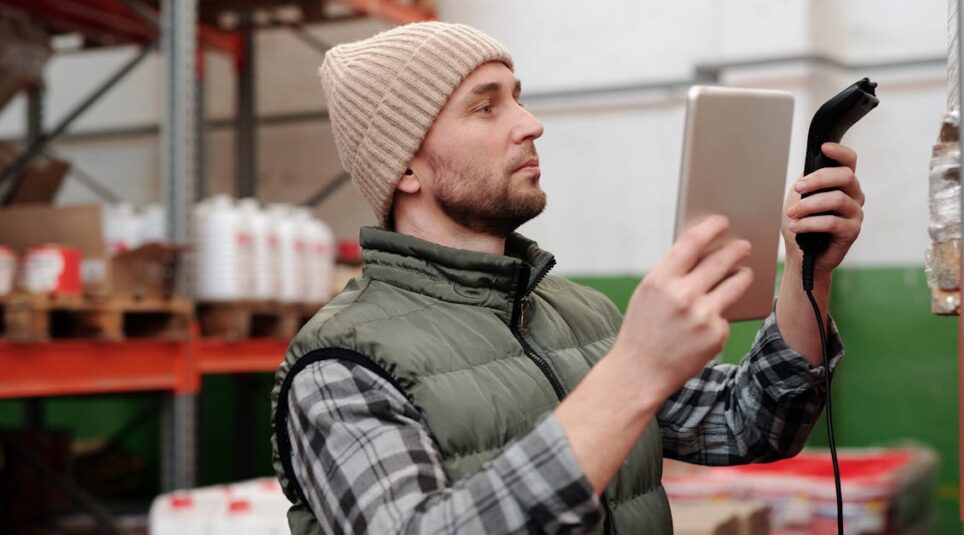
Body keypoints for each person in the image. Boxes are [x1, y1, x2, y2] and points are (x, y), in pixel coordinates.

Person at [271, 21, 863, 535]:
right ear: (404, 167)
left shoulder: (581, 315)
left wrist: (808, 272)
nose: (530, 124)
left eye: (518, 98)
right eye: (486, 106)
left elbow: (750, 424)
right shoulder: (339, 367)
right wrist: (635, 371)